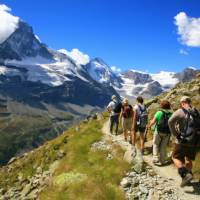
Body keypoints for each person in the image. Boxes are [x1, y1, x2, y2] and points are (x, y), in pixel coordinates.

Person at [168, 96, 200, 187]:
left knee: (175, 157)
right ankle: (188, 177)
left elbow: (170, 122)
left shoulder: (180, 111)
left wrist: (175, 134)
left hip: (183, 140)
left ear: (182, 103)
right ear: (190, 102)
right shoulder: (196, 111)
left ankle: (185, 174)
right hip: (194, 140)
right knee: (188, 158)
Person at [147, 100, 172, 166]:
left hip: (158, 131)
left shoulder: (159, 112)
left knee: (155, 144)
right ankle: (162, 161)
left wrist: (149, 126)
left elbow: (153, 121)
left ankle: (155, 158)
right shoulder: (171, 113)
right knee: (163, 147)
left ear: (162, 106)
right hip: (167, 133)